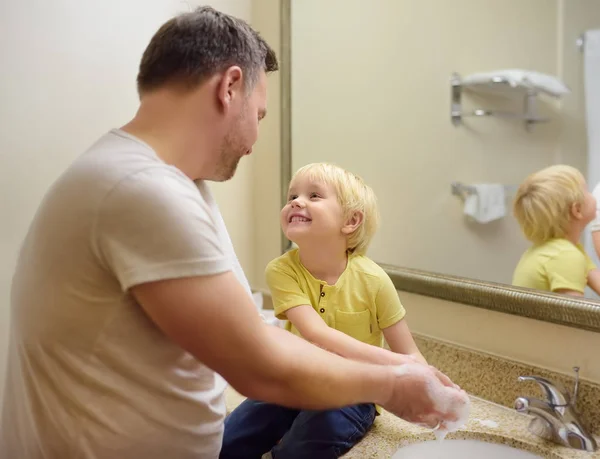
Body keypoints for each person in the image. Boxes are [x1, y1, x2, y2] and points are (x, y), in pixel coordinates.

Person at [0, 6, 467, 459]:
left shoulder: (166, 183)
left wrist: (402, 364)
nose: (255, 137)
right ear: (230, 87)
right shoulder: (142, 191)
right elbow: (258, 366)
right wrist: (393, 385)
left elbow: (255, 334)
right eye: (260, 115)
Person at [221, 163, 433, 459]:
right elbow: (315, 333)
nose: (296, 201)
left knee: (301, 448)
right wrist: (398, 368)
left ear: (351, 221)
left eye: (314, 196)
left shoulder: (374, 281)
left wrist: (431, 393)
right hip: (295, 382)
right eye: (292, 195)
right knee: (227, 441)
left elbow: (409, 352)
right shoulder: (282, 270)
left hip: (356, 392)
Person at [512, 164, 600, 296]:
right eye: (586, 191)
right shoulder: (565, 255)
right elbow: (574, 313)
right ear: (577, 210)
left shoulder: (565, 249)